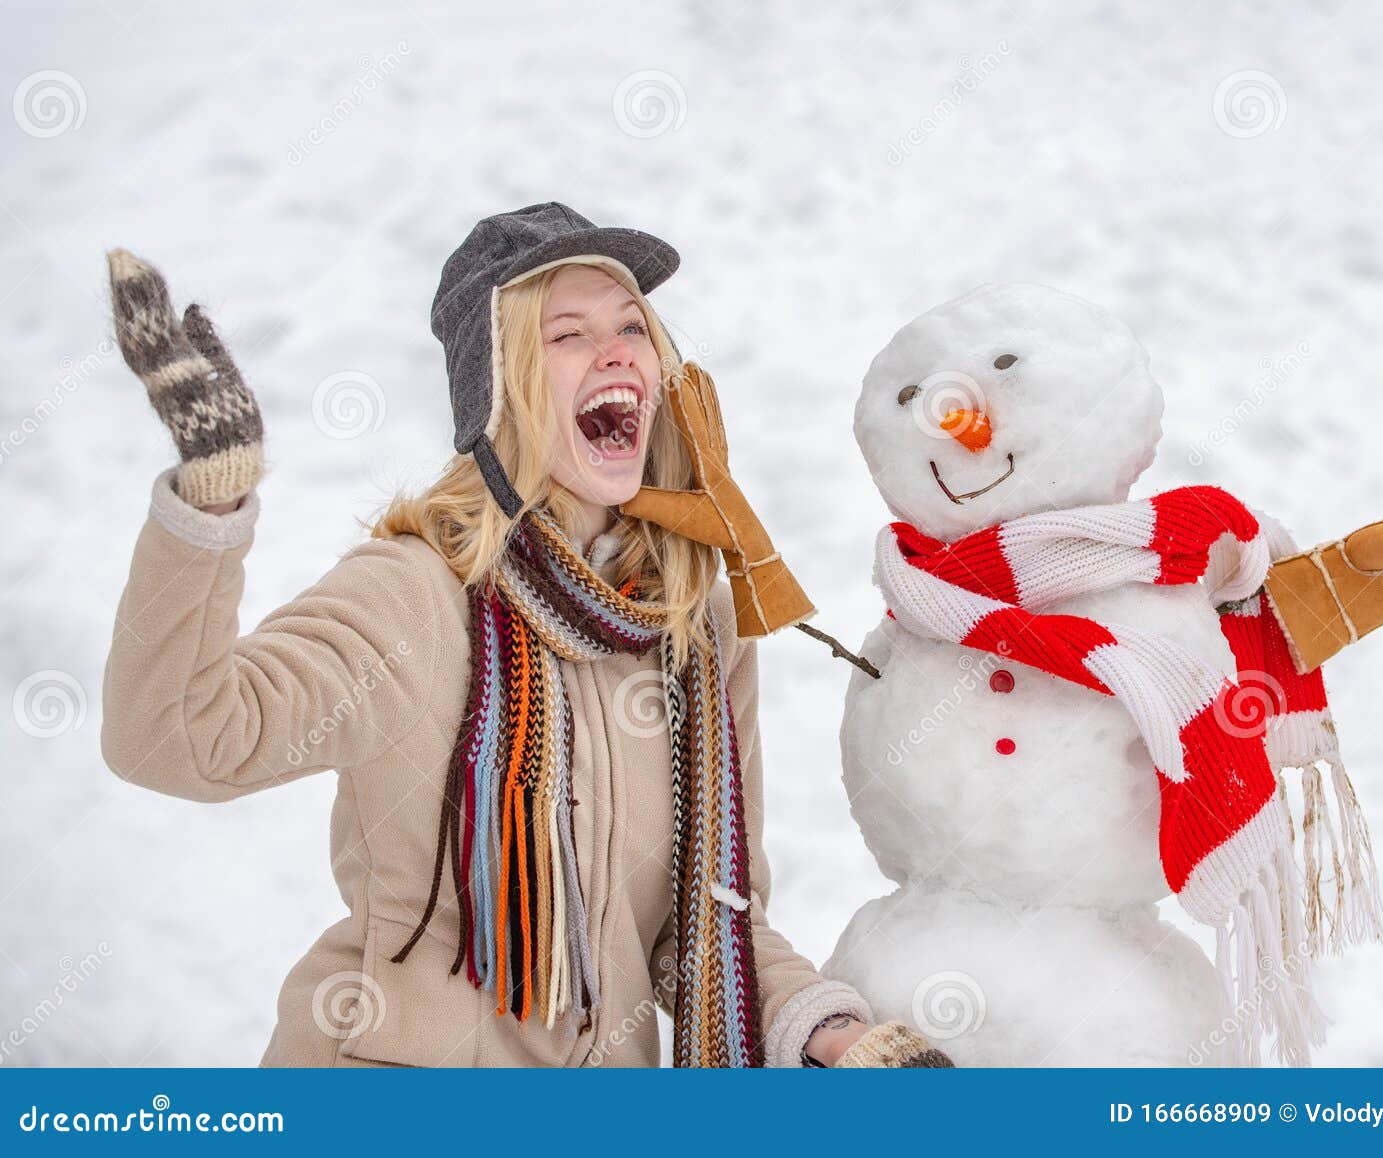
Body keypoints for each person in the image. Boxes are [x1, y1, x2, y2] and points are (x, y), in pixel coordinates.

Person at [98, 201, 952, 1068]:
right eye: (569, 335)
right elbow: (176, 739)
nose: (618, 349)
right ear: (498, 388)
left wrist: (829, 1033)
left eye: (632, 326)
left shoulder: (693, 629)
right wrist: (210, 506)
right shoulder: (414, 595)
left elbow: (707, 926)